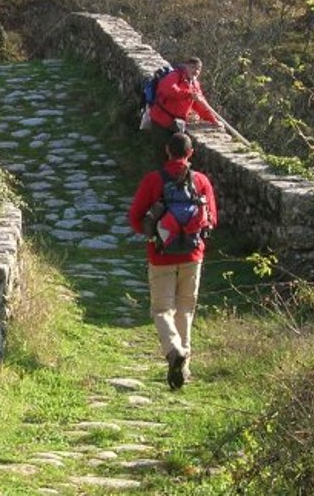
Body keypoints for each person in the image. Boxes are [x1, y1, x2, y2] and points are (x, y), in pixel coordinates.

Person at [128, 132, 218, 389]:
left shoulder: (153, 180)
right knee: (186, 309)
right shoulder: (201, 181)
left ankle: (174, 350)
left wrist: (154, 235)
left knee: (161, 309)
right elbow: (212, 219)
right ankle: (184, 367)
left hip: (161, 255)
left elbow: (135, 216)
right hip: (193, 255)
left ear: (167, 151)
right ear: (191, 153)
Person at [148, 57, 223, 162]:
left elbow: (201, 105)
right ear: (185, 67)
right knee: (162, 154)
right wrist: (189, 94)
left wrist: (213, 120)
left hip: (176, 124)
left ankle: (174, 176)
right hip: (161, 120)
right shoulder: (174, 76)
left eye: (198, 69)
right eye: (193, 67)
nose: (196, 71)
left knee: (177, 154)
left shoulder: (195, 84)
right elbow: (169, 91)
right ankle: (161, 176)